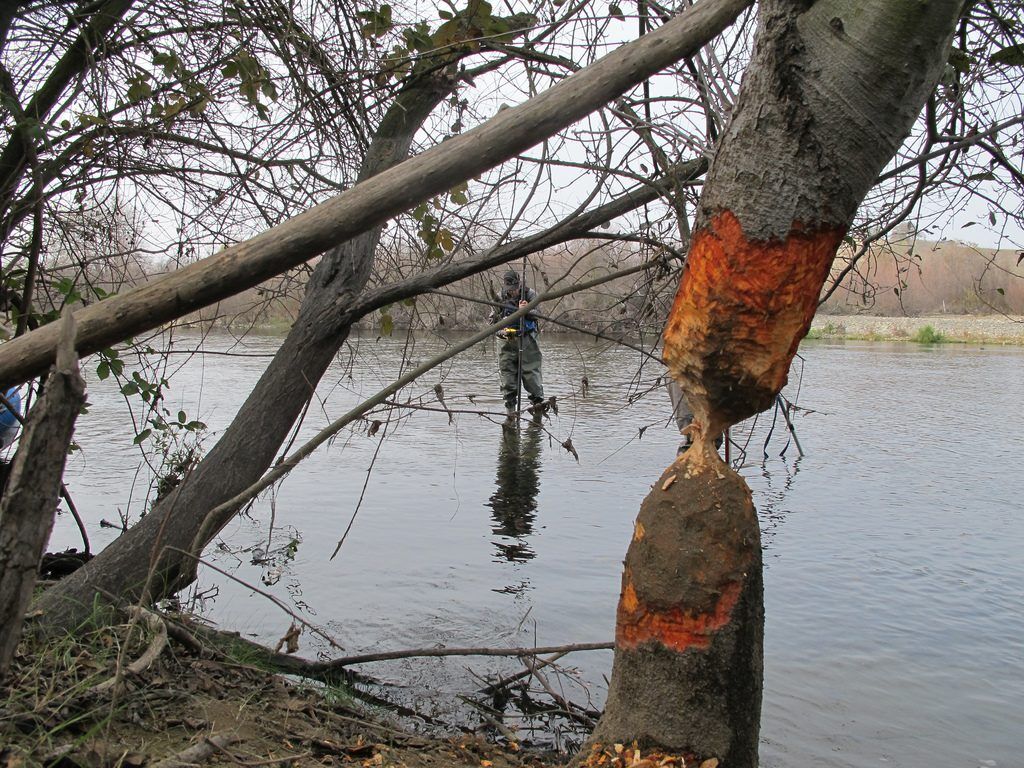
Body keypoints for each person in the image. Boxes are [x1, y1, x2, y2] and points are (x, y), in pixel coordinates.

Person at [492, 269, 544, 420]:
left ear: (519, 284)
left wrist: (525, 310)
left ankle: (537, 415)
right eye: (510, 289)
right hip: (506, 341)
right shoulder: (500, 296)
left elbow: (538, 314)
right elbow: (492, 319)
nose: (512, 292)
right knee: (507, 378)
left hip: (527, 340)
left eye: (514, 289)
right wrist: (499, 324)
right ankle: (511, 416)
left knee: (532, 376)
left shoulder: (530, 294)